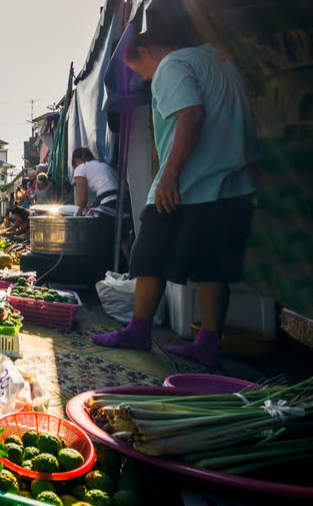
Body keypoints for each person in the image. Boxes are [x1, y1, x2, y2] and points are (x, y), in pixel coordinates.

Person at [91, 28, 259, 368]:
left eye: (137, 67)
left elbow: (191, 114)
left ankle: (138, 331)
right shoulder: (219, 61)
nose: (141, 75)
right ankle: (208, 344)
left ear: (146, 49)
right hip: (233, 183)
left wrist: (169, 172)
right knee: (214, 269)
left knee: (149, 256)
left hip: (191, 183)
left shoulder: (171, 64)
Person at [71, 147, 119, 216]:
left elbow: (82, 199)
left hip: (109, 202)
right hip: (124, 201)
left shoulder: (80, 168)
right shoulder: (104, 165)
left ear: (77, 160)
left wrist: (76, 215)